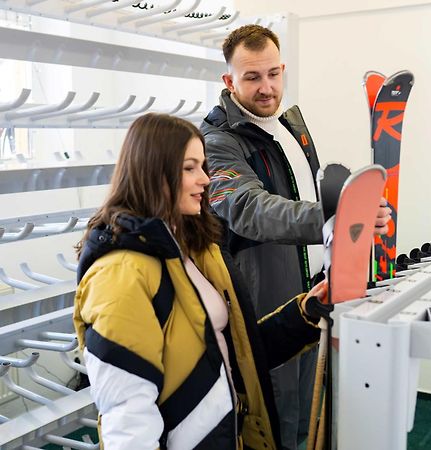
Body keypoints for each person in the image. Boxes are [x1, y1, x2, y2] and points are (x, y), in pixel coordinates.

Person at [73, 113, 332, 450]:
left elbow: (239, 352)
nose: (205, 179)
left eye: (203, 166)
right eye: (189, 168)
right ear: (153, 173)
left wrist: (306, 313)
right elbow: (128, 418)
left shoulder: (198, 249)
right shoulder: (120, 275)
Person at [200, 25, 391, 449]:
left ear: (283, 69)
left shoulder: (289, 126)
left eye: (272, 73)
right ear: (229, 81)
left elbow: (307, 193)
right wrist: (335, 216)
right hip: (265, 295)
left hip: (312, 289)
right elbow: (248, 208)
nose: (266, 87)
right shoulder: (217, 142)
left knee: (311, 408)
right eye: (252, 77)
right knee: (276, 416)